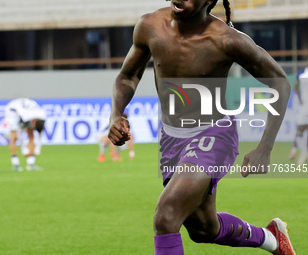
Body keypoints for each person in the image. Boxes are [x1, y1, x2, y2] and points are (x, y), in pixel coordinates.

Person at [108, 0, 295, 254]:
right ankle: (271, 238)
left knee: (167, 215)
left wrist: (265, 147)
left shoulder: (227, 40)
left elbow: (280, 83)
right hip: (171, 137)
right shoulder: (149, 25)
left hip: (214, 135)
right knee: (204, 229)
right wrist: (116, 114)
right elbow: (128, 75)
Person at [5, 98, 46, 171]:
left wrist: (38, 149)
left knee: (31, 135)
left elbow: (40, 133)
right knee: (14, 136)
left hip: (27, 110)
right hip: (13, 111)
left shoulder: (43, 116)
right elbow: (20, 135)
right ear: (33, 123)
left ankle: (31, 164)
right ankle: (16, 164)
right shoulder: (25, 117)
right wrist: (24, 150)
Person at [289, 59, 308, 165]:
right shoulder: (301, 73)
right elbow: (296, 85)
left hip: (305, 106)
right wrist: (300, 98)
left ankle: (302, 152)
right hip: (305, 106)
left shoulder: (301, 74)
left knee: (300, 130)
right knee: (300, 130)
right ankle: (304, 153)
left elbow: (296, 85)